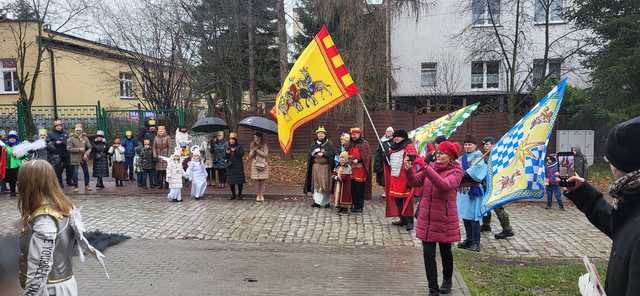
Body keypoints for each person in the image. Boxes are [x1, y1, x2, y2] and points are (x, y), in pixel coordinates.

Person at [562, 116, 640, 296]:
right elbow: (622, 226)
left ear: (621, 164)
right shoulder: (633, 204)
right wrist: (582, 193)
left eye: (609, 160)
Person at [18, 160, 106, 296]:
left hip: (50, 289)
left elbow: (40, 268)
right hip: (64, 285)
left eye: (21, 180)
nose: (18, 185)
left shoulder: (45, 219)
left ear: (29, 184)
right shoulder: (63, 208)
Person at [406, 140, 464, 296]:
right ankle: (432, 288)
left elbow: (444, 185)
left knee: (446, 253)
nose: (438, 155)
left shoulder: (456, 172)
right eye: (437, 153)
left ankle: (447, 280)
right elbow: (414, 182)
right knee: (428, 255)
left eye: (442, 153)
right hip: (427, 219)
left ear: (451, 157)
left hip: (445, 219)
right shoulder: (431, 168)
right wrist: (408, 169)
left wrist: (426, 168)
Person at [479, 136, 514, 239]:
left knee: (498, 207)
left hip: (495, 186)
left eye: (487, 144)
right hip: (485, 185)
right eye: (484, 144)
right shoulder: (485, 156)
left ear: (493, 145)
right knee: (485, 206)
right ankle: (486, 225)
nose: (485, 146)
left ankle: (507, 229)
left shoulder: (497, 156)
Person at [456, 135, 487, 252]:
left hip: (473, 191)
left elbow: (477, 174)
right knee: (465, 216)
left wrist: (463, 173)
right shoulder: (461, 158)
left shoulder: (480, 157)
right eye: (466, 144)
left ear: (475, 146)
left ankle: (476, 243)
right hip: (463, 191)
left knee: (474, 218)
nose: (467, 147)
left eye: (470, 144)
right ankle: (469, 240)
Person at [384, 129, 418, 231]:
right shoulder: (393, 147)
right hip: (395, 177)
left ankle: (410, 221)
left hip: (405, 178)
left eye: (398, 136)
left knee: (407, 201)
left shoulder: (408, 146)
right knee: (397, 199)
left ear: (403, 137)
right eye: (395, 137)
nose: (396, 138)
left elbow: (413, 160)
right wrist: (385, 155)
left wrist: (410, 178)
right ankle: (402, 219)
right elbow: (389, 159)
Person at [304, 126, 336, 208]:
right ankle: (317, 202)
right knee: (317, 184)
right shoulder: (313, 144)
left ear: (325, 135)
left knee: (326, 183)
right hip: (316, 168)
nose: (320, 135)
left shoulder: (329, 144)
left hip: (326, 168)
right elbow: (310, 154)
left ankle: (326, 202)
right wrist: (315, 153)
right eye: (319, 134)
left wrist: (324, 154)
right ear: (317, 135)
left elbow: (332, 154)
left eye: (322, 134)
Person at [348, 127, 371, 213]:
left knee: (359, 189)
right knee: (352, 188)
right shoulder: (350, 143)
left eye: (355, 134)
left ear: (359, 134)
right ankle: (353, 204)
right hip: (351, 170)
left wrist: (358, 160)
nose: (354, 136)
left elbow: (367, 156)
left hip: (360, 170)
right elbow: (348, 153)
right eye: (352, 134)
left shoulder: (364, 143)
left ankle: (359, 206)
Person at [67, 124, 92, 192]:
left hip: (83, 158)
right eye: (77, 130)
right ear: (75, 130)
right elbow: (69, 149)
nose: (78, 131)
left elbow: (90, 147)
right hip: (75, 158)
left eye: (80, 130)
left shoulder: (85, 138)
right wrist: (78, 149)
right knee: (75, 173)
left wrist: (86, 154)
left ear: (82, 130)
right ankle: (76, 186)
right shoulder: (71, 138)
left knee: (86, 172)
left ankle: (87, 185)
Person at [47, 120, 72, 187]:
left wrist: (67, 143)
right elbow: (47, 143)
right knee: (58, 169)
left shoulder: (66, 132)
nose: (59, 127)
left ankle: (69, 181)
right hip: (56, 153)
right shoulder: (50, 133)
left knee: (69, 167)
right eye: (57, 126)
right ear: (54, 126)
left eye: (60, 125)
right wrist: (55, 142)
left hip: (66, 152)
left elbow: (69, 141)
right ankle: (59, 183)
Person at [374, 126, 394, 195]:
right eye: (387, 131)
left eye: (390, 131)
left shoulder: (395, 141)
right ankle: (385, 192)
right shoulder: (382, 141)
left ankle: (392, 191)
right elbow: (378, 152)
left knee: (393, 178)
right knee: (384, 179)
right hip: (384, 163)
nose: (388, 133)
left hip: (393, 163)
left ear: (392, 133)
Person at [249, 132, 269, 202]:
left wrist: (257, 150)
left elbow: (265, 155)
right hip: (255, 163)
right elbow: (250, 156)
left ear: (260, 137)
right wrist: (253, 151)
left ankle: (262, 195)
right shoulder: (252, 144)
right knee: (256, 180)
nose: (255, 138)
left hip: (263, 164)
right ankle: (258, 195)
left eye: (256, 137)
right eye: (254, 137)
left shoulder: (264, 145)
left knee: (263, 180)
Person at [5, 131, 25, 197]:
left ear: (16, 138)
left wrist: (18, 155)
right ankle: (12, 192)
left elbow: (25, 155)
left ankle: (21, 191)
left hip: (18, 165)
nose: (12, 139)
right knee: (11, 180)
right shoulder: (5, 146)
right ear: (8, 139)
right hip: (9, 166)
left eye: (14, 138)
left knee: (20, 179)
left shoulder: (19, 145)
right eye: (10, 138)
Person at [226, 133, 245, 200]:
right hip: (230, 165)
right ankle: (233, 194)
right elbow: (225, 156)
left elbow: (242, 154)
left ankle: (240, 195)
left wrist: (235, 150)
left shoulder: (239, 146)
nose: (231, 140)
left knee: (239, 181)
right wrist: (227, 153)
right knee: (231, 181)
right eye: (230, 138)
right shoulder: (227, 146)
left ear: (235, 139)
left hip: (238, 165)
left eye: (233, 139)